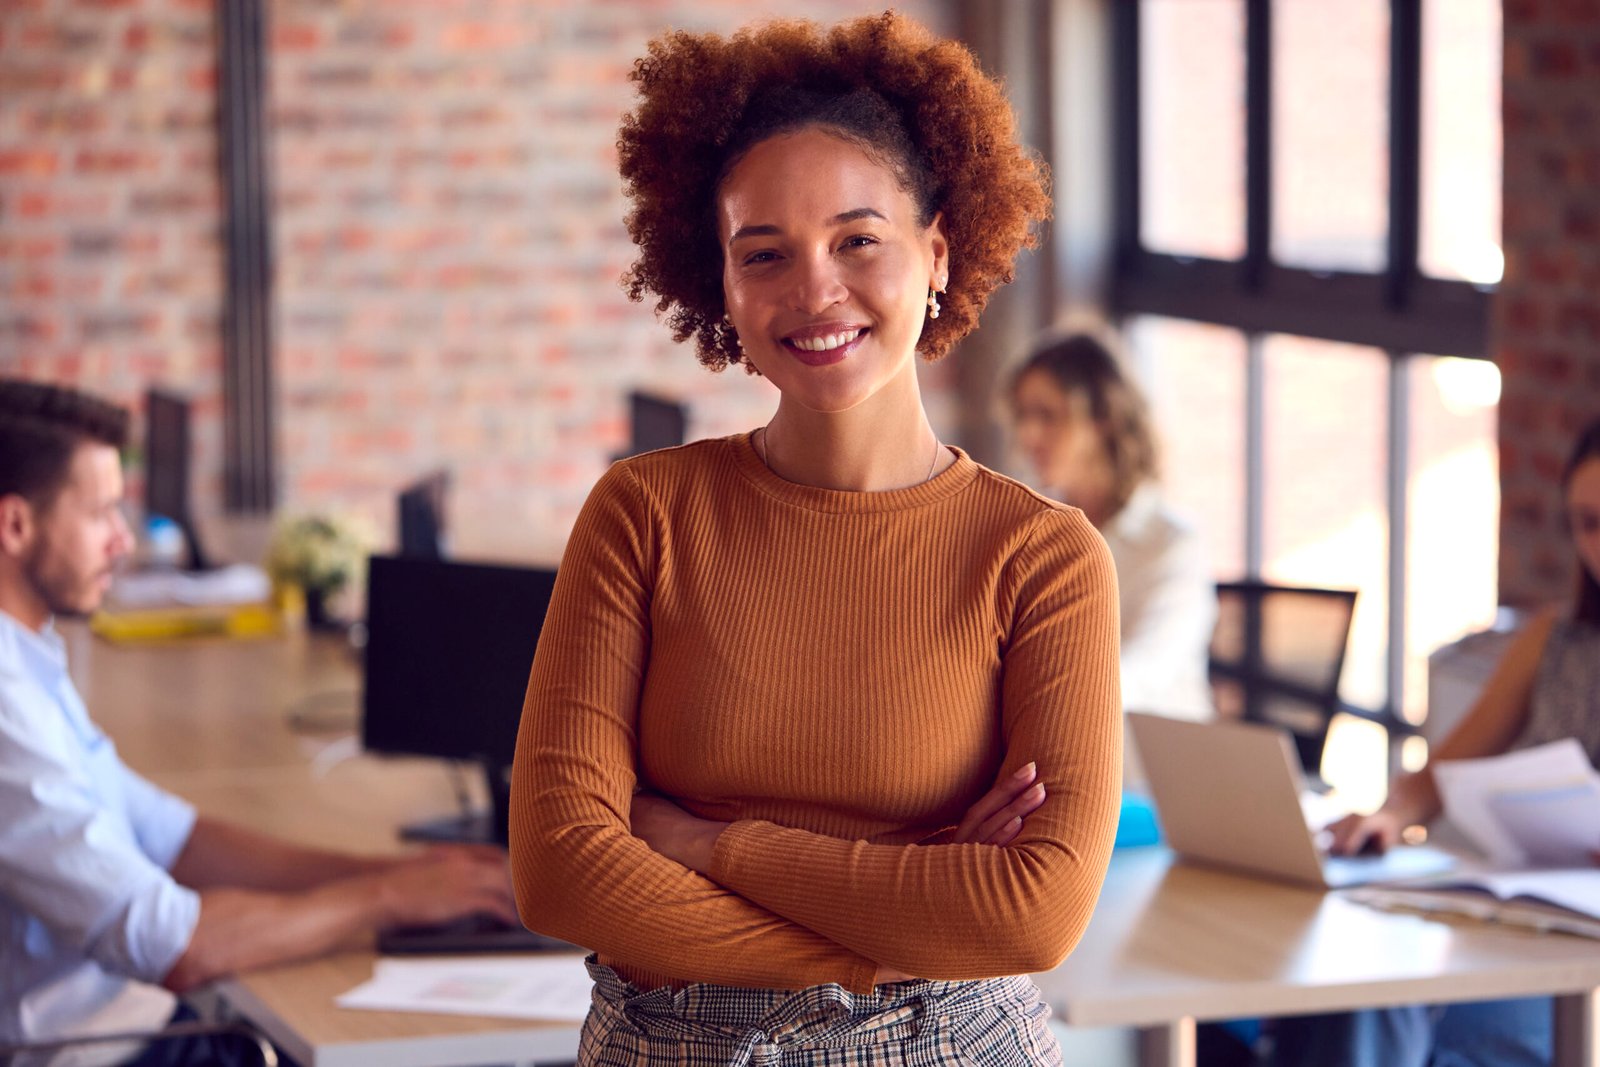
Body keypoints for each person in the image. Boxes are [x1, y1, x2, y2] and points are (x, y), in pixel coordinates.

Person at [509, 13, 1120, 1066]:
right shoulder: (644, 512)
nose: (814, 291)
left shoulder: (1041, 558)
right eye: (765, 253)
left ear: (935, 254)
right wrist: (903, 915)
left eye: (857, 240)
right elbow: (562, 868)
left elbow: (1030, 913)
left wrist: (708, 844)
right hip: (671, 1045)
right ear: (721, 283)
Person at [0, 379, 517, 1066]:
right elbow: (176, 946)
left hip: (135, 1023)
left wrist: (408, 874)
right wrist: (386, 897)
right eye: (100, 514)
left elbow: (171, 837)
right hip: (99, 1050)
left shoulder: (27, 652)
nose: (123, 540)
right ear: (15, 525)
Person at [1265, 414, 1600, 1067]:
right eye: (1588, 522)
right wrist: (1391, 815)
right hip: (1527, 912)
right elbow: (1438, 776)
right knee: (1365, 987)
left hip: (1582, 951)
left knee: (1449, 1039)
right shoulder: (1554, 640)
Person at [1009, 333, 1216, 722]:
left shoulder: (1171, 545)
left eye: (1047, 415)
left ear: (1102, 419)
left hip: (1150, 766)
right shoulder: (1034, 529)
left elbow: (1138, 675)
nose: (1028, 435)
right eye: (1023, 415)